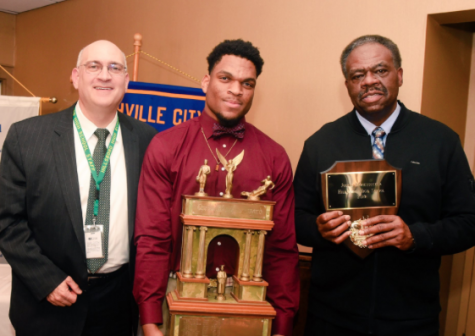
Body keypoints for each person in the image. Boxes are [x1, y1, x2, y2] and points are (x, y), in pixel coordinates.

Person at [294, 34, 475, 336]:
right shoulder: (320, 144)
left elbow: (469, 222)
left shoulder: (440, 142)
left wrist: (414, 236)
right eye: (357, 75)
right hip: (332, 317)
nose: (369, 81)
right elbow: (295, 219)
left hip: (411, 319)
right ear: (348, 85)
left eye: (380, 70)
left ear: (399, 75)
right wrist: (319, 228)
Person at [134, 39, 299, 336]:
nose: (236, 90)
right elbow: (152, 238)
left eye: (247, 83)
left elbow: (282, 249)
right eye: (226, 79)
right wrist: (149, 319)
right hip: (174, 291)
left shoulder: (274, 156)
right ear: (206, 81)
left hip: (249, 299)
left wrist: (283, 325)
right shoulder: (166, 146)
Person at [0, 40, 157, 336]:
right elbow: (7, 221)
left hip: (118, 303)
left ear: (126, 80)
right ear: (75, 77)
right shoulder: (27, 138)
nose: (104, 75)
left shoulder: (149, 140)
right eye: (93, 66)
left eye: (115, 68)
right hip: (47, 302)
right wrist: (45, 280)